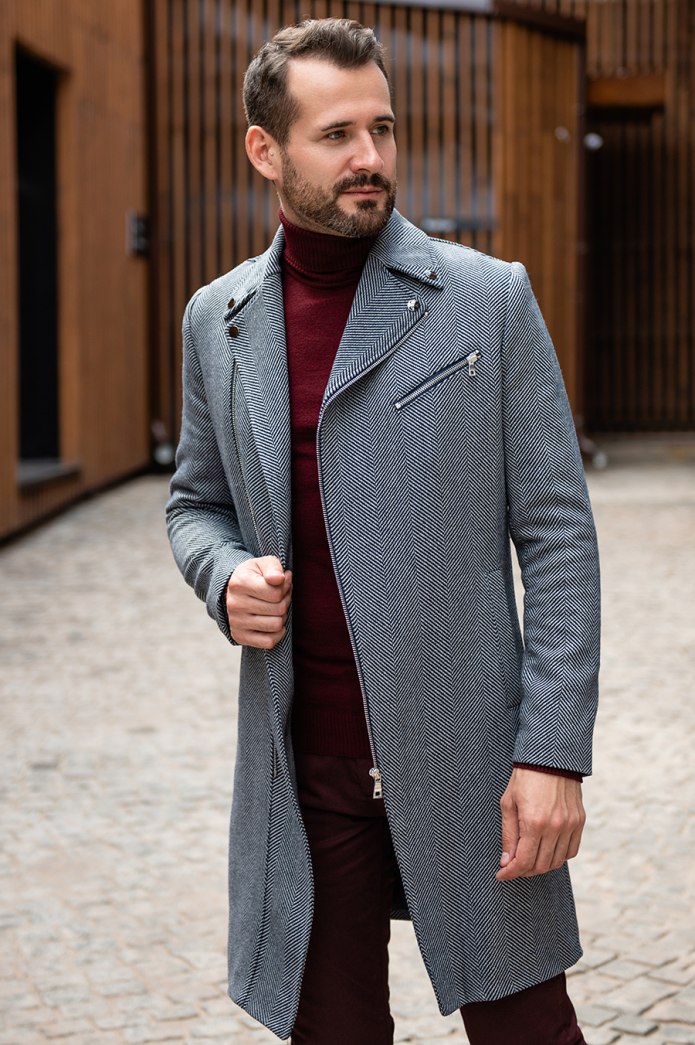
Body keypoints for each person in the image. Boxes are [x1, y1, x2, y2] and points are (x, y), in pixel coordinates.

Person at [166, 17, 600, 1045]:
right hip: (304, 773)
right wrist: (222, 574)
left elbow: (558, 537)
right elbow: (193, 502)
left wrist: (552, 754)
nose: (369, 156)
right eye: (335, 135)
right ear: (265, 150)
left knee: (528, 1031)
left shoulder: (487, 301)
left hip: (472, 764)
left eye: (382, 127)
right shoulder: (217, 320)